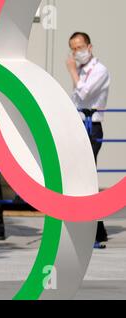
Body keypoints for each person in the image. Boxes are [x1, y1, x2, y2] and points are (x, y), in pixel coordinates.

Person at [67, 32, 110, 249]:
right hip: (80, 126)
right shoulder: (83, 71)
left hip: (92, 127)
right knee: (81, 179)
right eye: (73, 48)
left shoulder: (99, 70)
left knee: (87, 179)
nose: (77, 52)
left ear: (90, 46)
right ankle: (96, 229)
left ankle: (94, 230)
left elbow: (84, 94)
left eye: (80, 47)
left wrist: (73, 72)